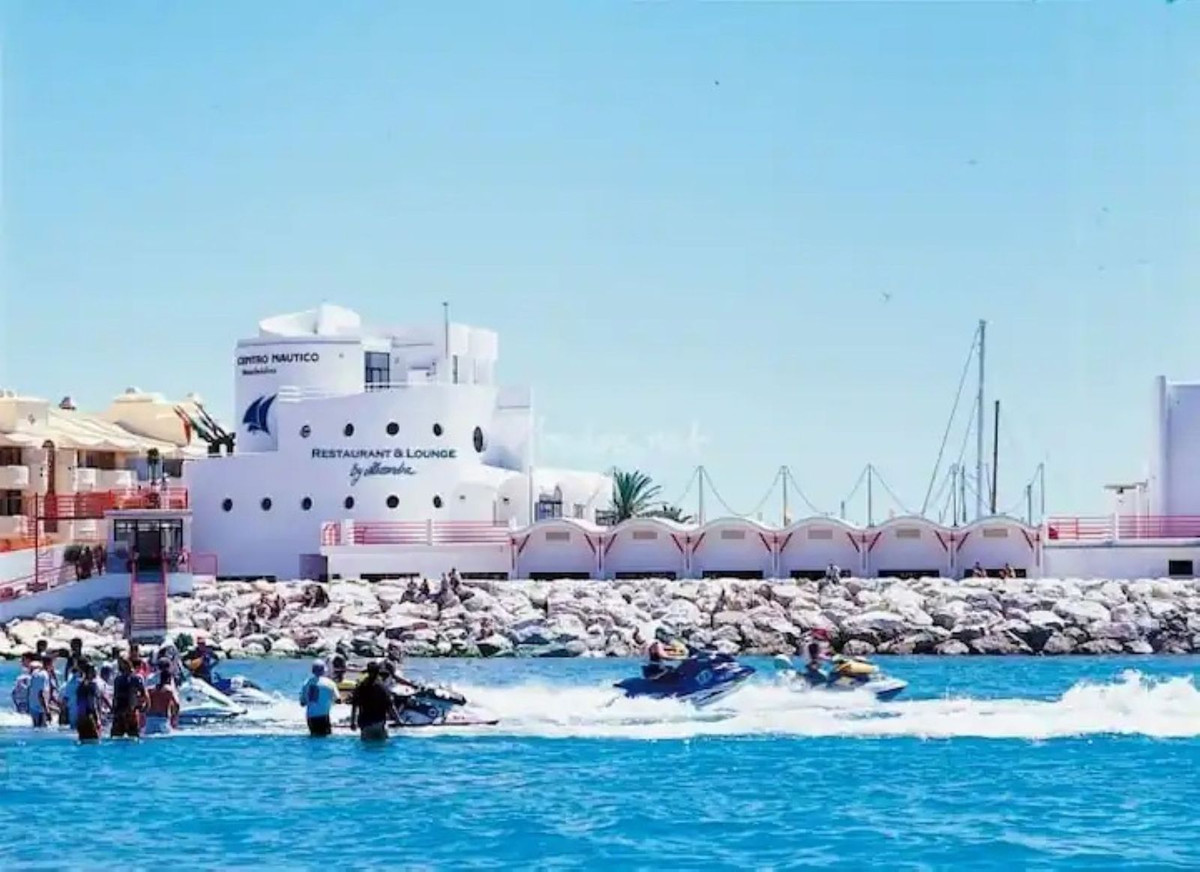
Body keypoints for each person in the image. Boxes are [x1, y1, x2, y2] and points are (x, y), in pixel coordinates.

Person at [349, 661, 397, 742]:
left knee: (366, 748)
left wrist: (352, 722)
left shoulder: (361, 687)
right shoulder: (382, 687)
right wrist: (398, 720)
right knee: (382, 747)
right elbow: (390, 706)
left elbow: (354, 706)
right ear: (378, 672)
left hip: (366, 725)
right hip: (379, 724)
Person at [298, 660, 339, 737]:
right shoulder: (330, 683)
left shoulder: (306, 683)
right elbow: (338, 699)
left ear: (313, 670)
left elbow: (302, 703)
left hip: (311, 716)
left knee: (313, 737)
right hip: (324, 716)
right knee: (325, 738)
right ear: (324, 670)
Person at [111, 657, 149, 738]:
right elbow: (144, 695)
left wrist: (144, 706)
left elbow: (115, 697)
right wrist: (145, 706)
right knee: (132, 737)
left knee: (119, 736)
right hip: (127, 711)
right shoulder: (132, 679)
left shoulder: (120, 679)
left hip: (124, 711)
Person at [144, 666, 180, 736]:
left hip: (150, 719)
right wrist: (174, 717)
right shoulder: (169, 691)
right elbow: (177, 704)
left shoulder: (150, 690)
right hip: (163, 719)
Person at [75, 663, 104, 742]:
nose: (95, 673)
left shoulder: (80, 686)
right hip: (90, 717)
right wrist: (98, 719)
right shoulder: (92, 686)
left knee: (83, 741)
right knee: (95, 741)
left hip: (81, 718)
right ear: (89, 672)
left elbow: (79, 704)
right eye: (94, 671)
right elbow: (92, 704)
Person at [28, 656, 53, 728]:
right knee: (42, 729)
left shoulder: (35, 672)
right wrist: (47, 710)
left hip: (33, 706)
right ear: (49, 664)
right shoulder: (44, 675)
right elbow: (41, 693)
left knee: (36, 728)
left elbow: (30, 689)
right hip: (40, 708)